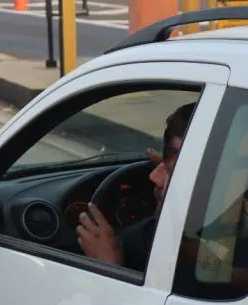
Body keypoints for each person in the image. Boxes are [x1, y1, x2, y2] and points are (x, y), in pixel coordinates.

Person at [76, 102, 195, 270]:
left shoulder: (205, 268)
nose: (154, 176)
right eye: (169, 155)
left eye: (182, 167)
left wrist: (109, 266)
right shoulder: (214, 240)